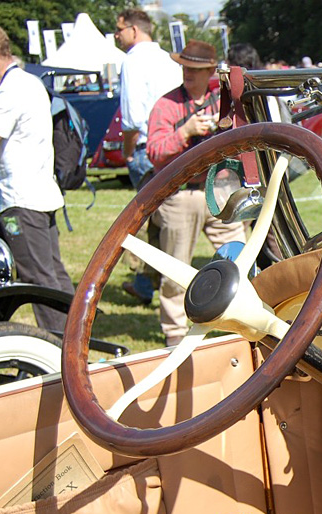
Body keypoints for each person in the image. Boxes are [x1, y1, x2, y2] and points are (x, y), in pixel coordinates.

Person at [0, 24, 73, 334]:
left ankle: (62, 350)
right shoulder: (26, 81)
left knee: (39, 279)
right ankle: (77, 337)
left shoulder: (11, 89)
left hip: (21, 200)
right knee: (55, 275)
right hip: (38, 194)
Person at [146, 40, 246, 346]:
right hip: (181, 195)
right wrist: (185, 132)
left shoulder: (224, 101)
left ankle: (242, 324)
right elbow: (154, 151)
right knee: (176, 271)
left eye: (196, 69)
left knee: (241, 261)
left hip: (221, 190)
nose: (189, 74)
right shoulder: (166, 105)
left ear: (209, 72)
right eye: (186, 68)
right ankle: (175, 335)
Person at [116, 8, 183, 306]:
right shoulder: (167, 58)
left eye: (118, 30)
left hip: (147, 148)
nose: (116, 36)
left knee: (147, 222)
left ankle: (150, 283)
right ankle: (147, 283)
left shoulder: (133, 60)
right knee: (163, 222)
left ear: (133, 30)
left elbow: (131, 118)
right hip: (173, 146)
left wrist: (128, 152)